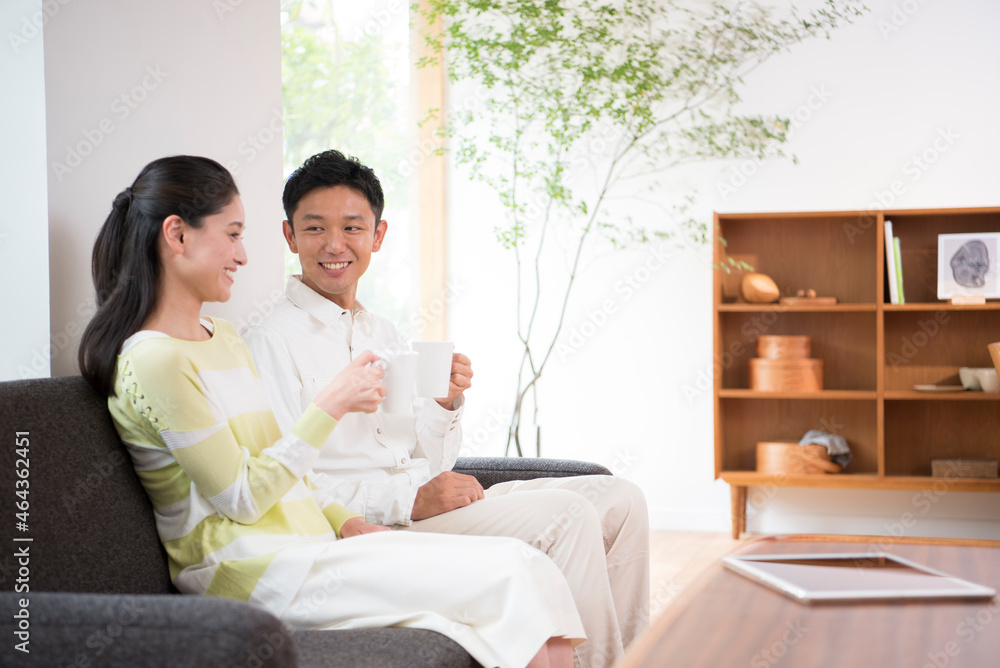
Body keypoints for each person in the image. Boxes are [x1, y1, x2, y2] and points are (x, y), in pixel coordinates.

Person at [77, 155, 584, 668]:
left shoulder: (222, 337)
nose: (243, 255)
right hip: (249, 570)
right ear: (177, 235)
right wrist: (331, 404)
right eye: (232, 235)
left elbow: (279, 463)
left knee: (527, 572)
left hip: (310, 544)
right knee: (512, 572)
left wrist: (346, 521)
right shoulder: (156, 360)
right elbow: (241, 499)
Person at [242, 149, 650, 668]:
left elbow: (428, 459)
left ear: (378, 236)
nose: (334, 245)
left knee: (621, 499)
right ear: (290, 236)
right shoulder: (270, 341)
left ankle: (639, 658)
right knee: (567, 517)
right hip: (374, 531)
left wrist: (446, 404)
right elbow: (287, 484)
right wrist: (407, 500)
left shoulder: (383, 332)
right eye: (315, 228)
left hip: (426, 507)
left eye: (352, 227)